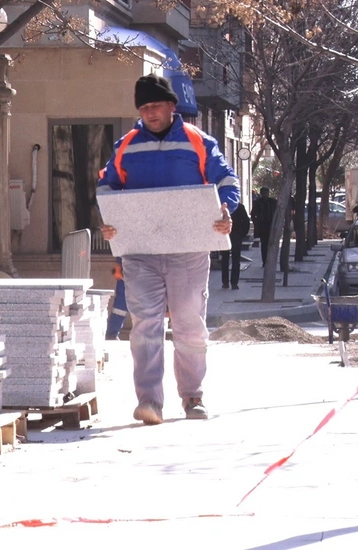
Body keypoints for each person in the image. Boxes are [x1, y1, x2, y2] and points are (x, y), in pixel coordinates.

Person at [98, 74, 240, 425]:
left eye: (155, 106)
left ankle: (192, 396)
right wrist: (108, 218)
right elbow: (106, 187)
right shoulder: (126, 146)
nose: (149, 113)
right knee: (145, 325)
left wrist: (225, 211)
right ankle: (150, 402)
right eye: (143, 107)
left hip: (188, 250)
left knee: (190, 324)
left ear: (171, 106)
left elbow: (227, 182)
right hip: (140, 252)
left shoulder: (198, 142)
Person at [220, 203, 250, 290]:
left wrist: (241, 235)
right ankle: (226, 282)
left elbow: (246, 222)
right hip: (225, 236)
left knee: (235, 260)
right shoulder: (223, 207)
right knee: (225, 259)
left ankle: (233, 283)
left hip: (235, 236)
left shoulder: (239, 207)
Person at [251, 187, 278, 265]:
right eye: (264, 193)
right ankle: (265, 261)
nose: (265, 194)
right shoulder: (257, 202)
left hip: (271, 226)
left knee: (272, 244)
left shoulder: (273, 202)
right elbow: (253, 214)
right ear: (261, 193)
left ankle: (271, 260)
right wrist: (256, 223)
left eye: (266, 192)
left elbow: (277, 213)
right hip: (262, 226)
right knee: (264, 244)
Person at [105, 258, 128, 340]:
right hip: (126, 271)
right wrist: (118, 265)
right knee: (120, 307)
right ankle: (112, 334)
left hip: (144, 271)